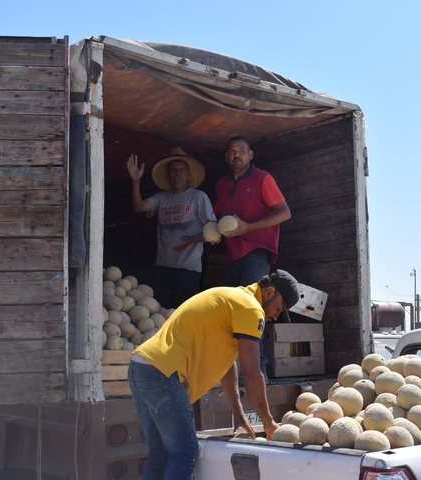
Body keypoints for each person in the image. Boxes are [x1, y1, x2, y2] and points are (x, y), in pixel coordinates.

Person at [128, 269, 300, 480]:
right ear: (269, 292)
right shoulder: (251, 308)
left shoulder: (233, 298)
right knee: (185, 451)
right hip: (162, 373)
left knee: (161, 451)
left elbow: (227, 364)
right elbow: (252, 373)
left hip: (141, 367)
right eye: (279, 308)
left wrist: (238, 411)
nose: (275, 316)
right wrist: (268, 421)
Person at [213, 135, 292, 377]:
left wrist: (249, 227)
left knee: (251, 311)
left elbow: (284, 213)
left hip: (256, 253)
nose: (236, 154)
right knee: (232, 314)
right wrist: (210, 232)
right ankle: (234, 372)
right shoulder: (222, 184)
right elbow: (218, 218)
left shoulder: (262, 178)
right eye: (232, 151)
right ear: (226, 156)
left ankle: (259, 373)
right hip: (232, 256)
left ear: (250, 155)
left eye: (241, 150)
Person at [127, 147, 216, 308]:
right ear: (168, 174)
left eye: (182, 170)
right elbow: (138, 207)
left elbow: (213, 232)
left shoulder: (198, 197)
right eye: (173, 170)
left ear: (189, 175)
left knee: (183, 314)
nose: (178, 174)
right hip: (162, 268)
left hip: (187, 270)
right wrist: (135, 181)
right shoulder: (162, 198)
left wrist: (191, 240)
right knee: (162, 314)